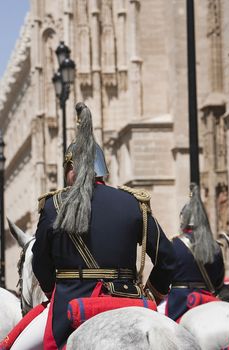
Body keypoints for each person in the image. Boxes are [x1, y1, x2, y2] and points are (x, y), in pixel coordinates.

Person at [31, 102, 176, 349]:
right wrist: (153, 292)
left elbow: (40, 262)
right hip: (128, 301)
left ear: (71, 170)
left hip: (71, 305)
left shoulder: (53, 205)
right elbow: (168, 257)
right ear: (103, 171)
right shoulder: (133, 203)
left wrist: (51, 290)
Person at [166, 183, 225, 322]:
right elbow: (218, 283)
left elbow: (166, 276)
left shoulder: (174, 244)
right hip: (207, 301)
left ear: (183, 220)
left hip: (180, 302)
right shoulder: (216, 246)